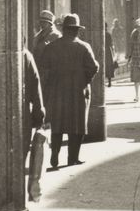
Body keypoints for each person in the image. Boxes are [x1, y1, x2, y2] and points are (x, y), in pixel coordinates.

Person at [39, 12, 99, 169]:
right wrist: (85, 81)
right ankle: (73, 158)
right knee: (76, 126)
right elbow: (93, 67)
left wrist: (50, 86)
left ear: (64, 29)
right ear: (77, 30)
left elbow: (44, 69)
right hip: (78, 93)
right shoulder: (84, 47)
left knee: (57, 125)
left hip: (57, 93)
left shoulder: (51, 47)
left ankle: (54, 157)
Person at [23, 42, 47, 201]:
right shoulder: (25, 56)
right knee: (19, 159)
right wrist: (39, 118)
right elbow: (35, 87)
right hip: (20, 114)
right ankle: (17, 199)